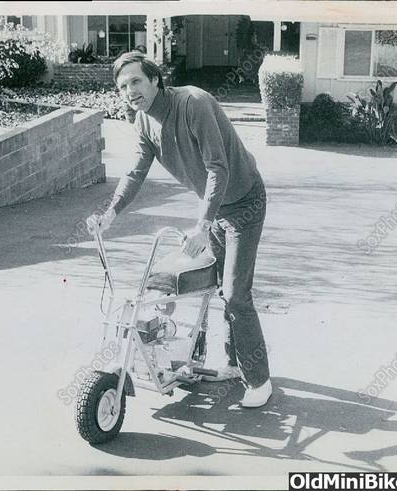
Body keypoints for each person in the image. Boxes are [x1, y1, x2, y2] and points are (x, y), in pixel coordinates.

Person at [87, 51, 272, 408]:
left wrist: (203, 224)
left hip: (244, 201)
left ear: (155, 79)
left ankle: (260, 380)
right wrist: (110, 213)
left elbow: (218, 168)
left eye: (136, 81)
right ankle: (234, 364)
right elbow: (135, 172)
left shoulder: (193, 104)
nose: (130, 91)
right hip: (214, 208)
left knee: (236, 293)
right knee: (219, 287)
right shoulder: (144, 121)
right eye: (122, 86)